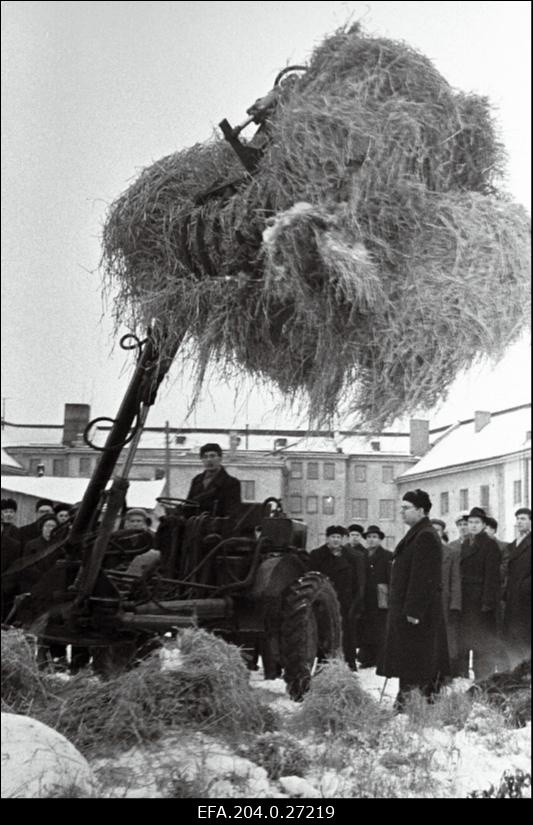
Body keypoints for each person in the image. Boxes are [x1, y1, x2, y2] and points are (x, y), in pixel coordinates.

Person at [377, 489, 449, 711]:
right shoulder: (417, 533)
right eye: (402, 508)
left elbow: (423, 578)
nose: (402, 512)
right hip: (410, 611)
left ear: (420, 510)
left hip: (417, 615)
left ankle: (415, 704)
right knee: (411, 658)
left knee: (417, 658)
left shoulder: (425, 535)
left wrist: (413, 611)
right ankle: (410, 701)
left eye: (406, 508)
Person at [309, 525, 360, 670]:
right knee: (324, 633)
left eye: (339, 537)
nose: (336, 540)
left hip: (344, 601)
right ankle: (324, 664)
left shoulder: (350, 556)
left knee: (346, 633)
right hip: (323, 601)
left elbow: (356, 580)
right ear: (327, 539)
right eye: (333, 537)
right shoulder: (317, 555)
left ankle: (348, 664)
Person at [458, 507, 501, 680]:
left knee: (481, 640)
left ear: (484, 525)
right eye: (470, 522)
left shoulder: (490, 545)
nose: (473, 526)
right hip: (466, 598)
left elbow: (492, 576)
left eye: (477, 522)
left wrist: (487, 602)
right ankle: (464, 675)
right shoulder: (466, 543)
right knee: (466, 638)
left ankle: (483, 677)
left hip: (480, 600)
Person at [356, 525, 391, 669]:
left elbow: (391, 577)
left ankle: (380, 658)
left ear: (380, 539)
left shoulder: (388, 556)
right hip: (365, 597)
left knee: (380, 628)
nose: (371, 540)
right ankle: (366, 658)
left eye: (375, 537)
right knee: (365, 628)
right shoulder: (361, 556)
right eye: (369, 537)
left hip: (381, 597)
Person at [433, 518, 462, 678]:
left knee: (448, 638)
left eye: (438, 530)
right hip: (427, 604)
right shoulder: (420, 551)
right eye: (432, 530)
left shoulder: (451, 553)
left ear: (442, 532)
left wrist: (455, 604)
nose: (435, 533)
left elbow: (455, 579)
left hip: (445, 602)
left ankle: (448, 672)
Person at [502, 507, 531, 666]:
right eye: (518, 519)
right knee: (513, 636)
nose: (519, 522)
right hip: (513, 598)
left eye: (523, 519)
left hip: (526, 599)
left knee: (525, 636)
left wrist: (524, 587)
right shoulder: (514, 544)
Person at [186, 443, 241, 518]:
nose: (209, 460)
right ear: (201, 460)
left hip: (216, 527)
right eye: (205, 457)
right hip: (195, 525)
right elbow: (188, 505)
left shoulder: (231, 483)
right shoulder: (197, 480)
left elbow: (232, 513)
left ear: (220, 458)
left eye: (212, 456)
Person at [1, 499, 23, 621]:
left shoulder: (18, 534)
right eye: (5, 511)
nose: (8, 514)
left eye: (11, 511)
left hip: (7, 585)